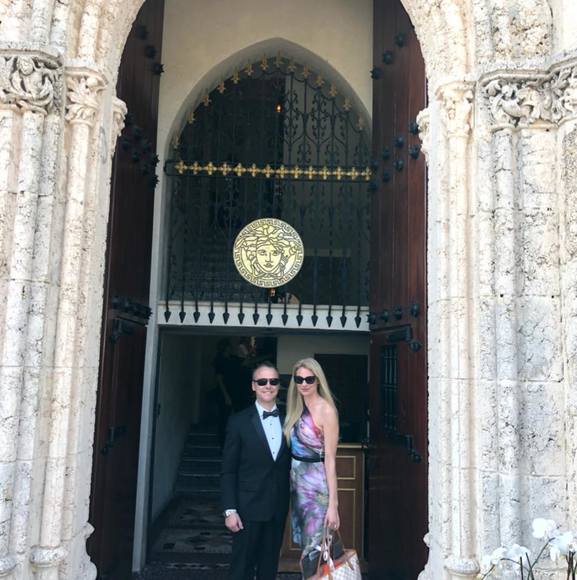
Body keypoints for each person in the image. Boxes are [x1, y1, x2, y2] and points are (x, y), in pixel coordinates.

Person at [220, 362, 290, 580]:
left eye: (273, 381)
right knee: (241, 569)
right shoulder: (238, 421)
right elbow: (228, 470)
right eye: (262, 381)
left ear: (279, 385)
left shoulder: (290, 419)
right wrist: (229, 510)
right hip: (247, 508)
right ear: (253, 386)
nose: (268, 386)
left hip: (277, 508)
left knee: (269, 569)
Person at [283, 358, 340, 577]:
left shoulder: (327, 410)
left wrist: (333, 504)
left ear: (318, 380)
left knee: (315, 549)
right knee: (306, 545)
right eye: (299, 379)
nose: (304, 383)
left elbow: (331, 459)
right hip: (297, 487)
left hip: (317, 489)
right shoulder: (295, 407)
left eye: (309, 379)